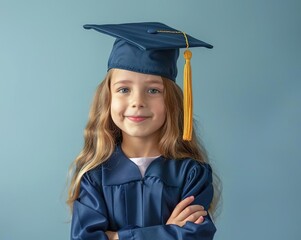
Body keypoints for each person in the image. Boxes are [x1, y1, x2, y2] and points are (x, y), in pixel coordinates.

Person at [67, 22, 220, 240]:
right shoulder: (94, 176)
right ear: (108, 97)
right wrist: (168, 232)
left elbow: (195, 236)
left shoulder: (191, 174)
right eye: (124, 89)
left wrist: (115, 237)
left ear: (172, 101)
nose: (137, 101)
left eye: (153, 90)